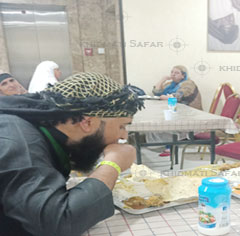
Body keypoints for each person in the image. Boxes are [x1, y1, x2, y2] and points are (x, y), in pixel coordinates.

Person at [0, 72, 144, 235]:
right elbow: (57, 223)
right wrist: (112, 163)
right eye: (122, 126)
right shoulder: (18, 141)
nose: (124, 136)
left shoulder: (40, 126)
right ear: (88, 122)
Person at [151, 65, 203, 156]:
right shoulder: (170, 84)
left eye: (176, 73)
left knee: (167, 120)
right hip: (176, 111)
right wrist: (162, 80)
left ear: (183, 75)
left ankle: (170, 146)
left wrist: (166, 97)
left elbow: (180, 96)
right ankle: (167, 143)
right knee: (159, 117)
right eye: (172, 72)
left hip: (190, 114)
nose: (173, 74)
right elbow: (156, 93)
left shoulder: (188, 83)